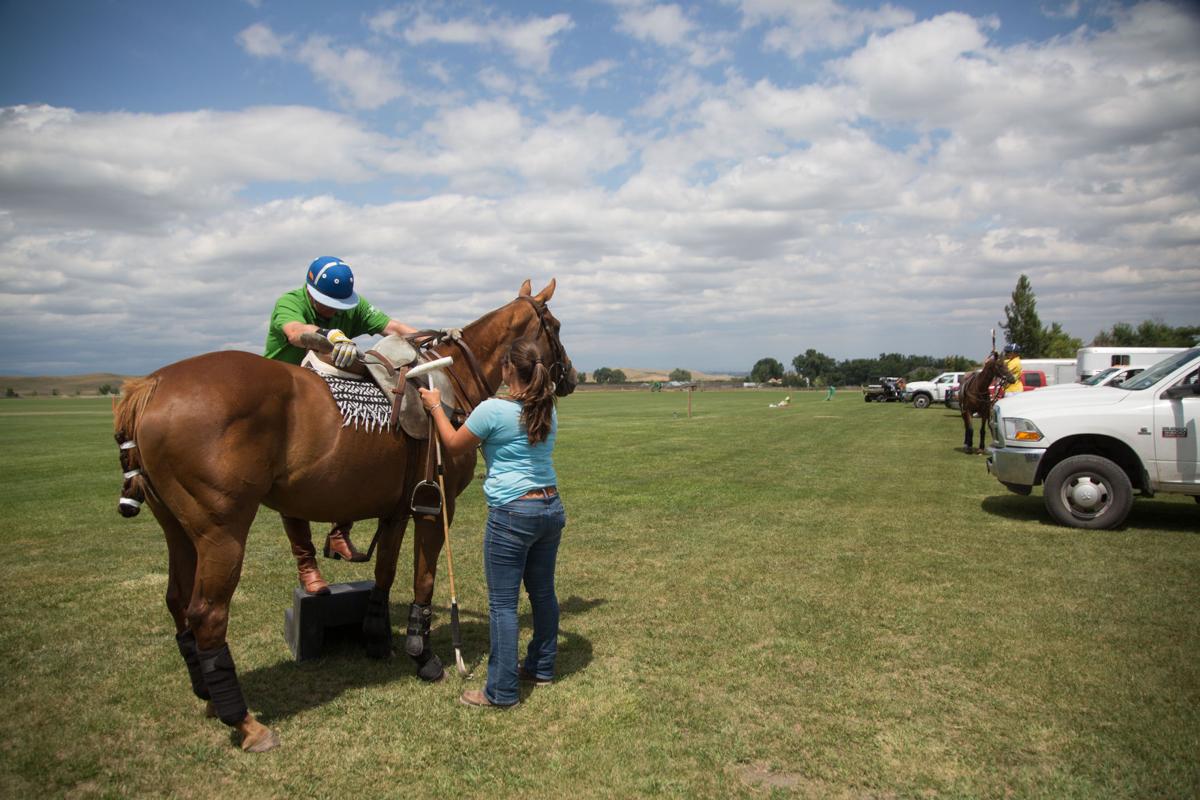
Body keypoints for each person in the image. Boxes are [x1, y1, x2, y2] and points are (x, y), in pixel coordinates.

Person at [419, 338, 566, 708]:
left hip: (513, 514)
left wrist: (436, 407)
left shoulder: (491, 410)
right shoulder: (546, 408)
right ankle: (541, 667)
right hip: (549, 508)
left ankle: (500, 691)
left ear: (506, 370)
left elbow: (454, 445)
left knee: (502, 605)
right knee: (543, 594)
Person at [265, 256, 419, 594]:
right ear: (310, 291)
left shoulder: (355, 307)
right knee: (293, 476)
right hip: (285, 398)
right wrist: (330, 335)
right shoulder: (290, 302)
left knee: (359, 446)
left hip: (330, 390)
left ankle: (338, 533)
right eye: (326, 305)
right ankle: (306, 563)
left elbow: (392, 327)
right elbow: (294, 333)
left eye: (338, 307)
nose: (333, 311)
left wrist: (432, 338)